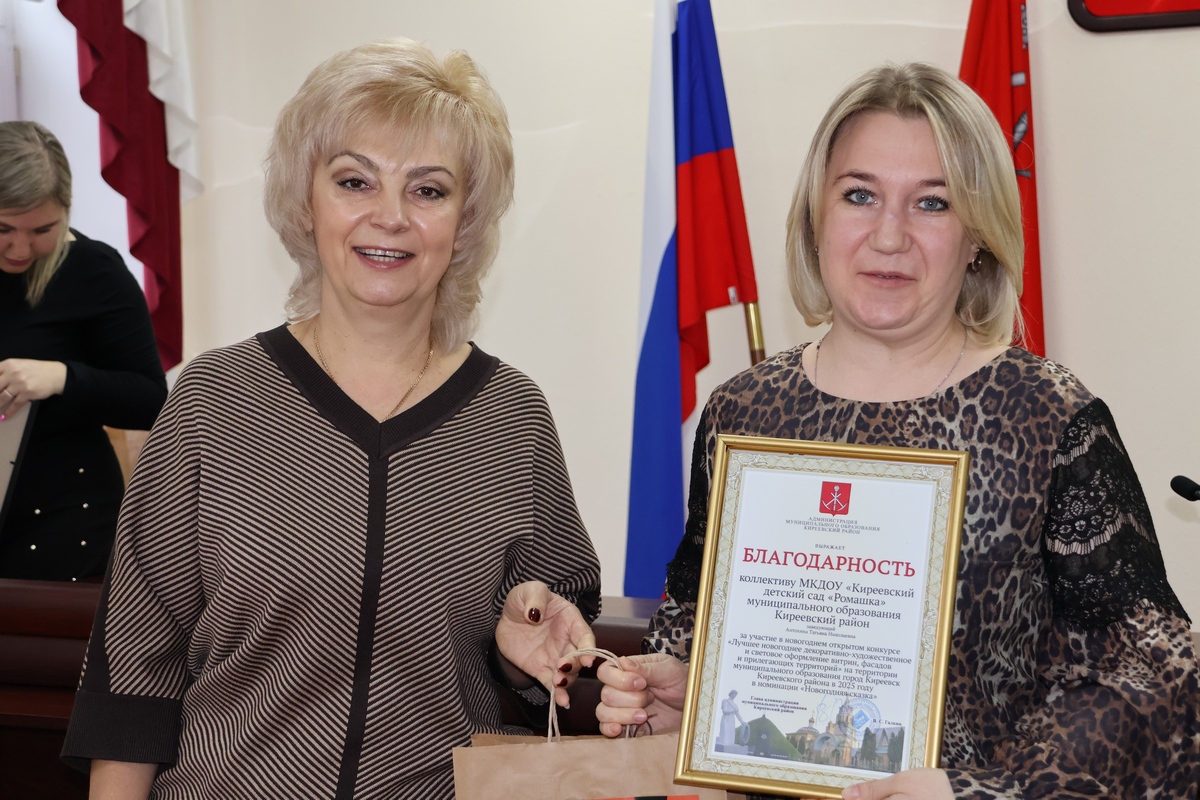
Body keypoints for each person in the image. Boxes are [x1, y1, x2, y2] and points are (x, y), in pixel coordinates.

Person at [596, 62, 1200, 799]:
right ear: (816, 216)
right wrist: (683, 696)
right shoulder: (743, 413)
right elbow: (697, 616)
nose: (889, 236)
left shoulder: (1046, 415)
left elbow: (1150, 682)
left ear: (977, 236)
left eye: (932, 204)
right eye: (859, 195)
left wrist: (976, 791)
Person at [61, 39, 602, 799]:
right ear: (304, 201)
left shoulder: (513, 418)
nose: (391, 217)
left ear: (464, 221)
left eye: (428, 190)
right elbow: (134, 672)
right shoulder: (213, 401)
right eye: (355, 181)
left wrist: (525, 651)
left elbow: (547, 648)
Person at [0, 121, 166, 581]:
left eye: (42, 229)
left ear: (66, 211)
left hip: (66, 519)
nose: (20, 248)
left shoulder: (94, 272)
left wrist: (63, 378)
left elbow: (152, 400)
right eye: (3, 228)